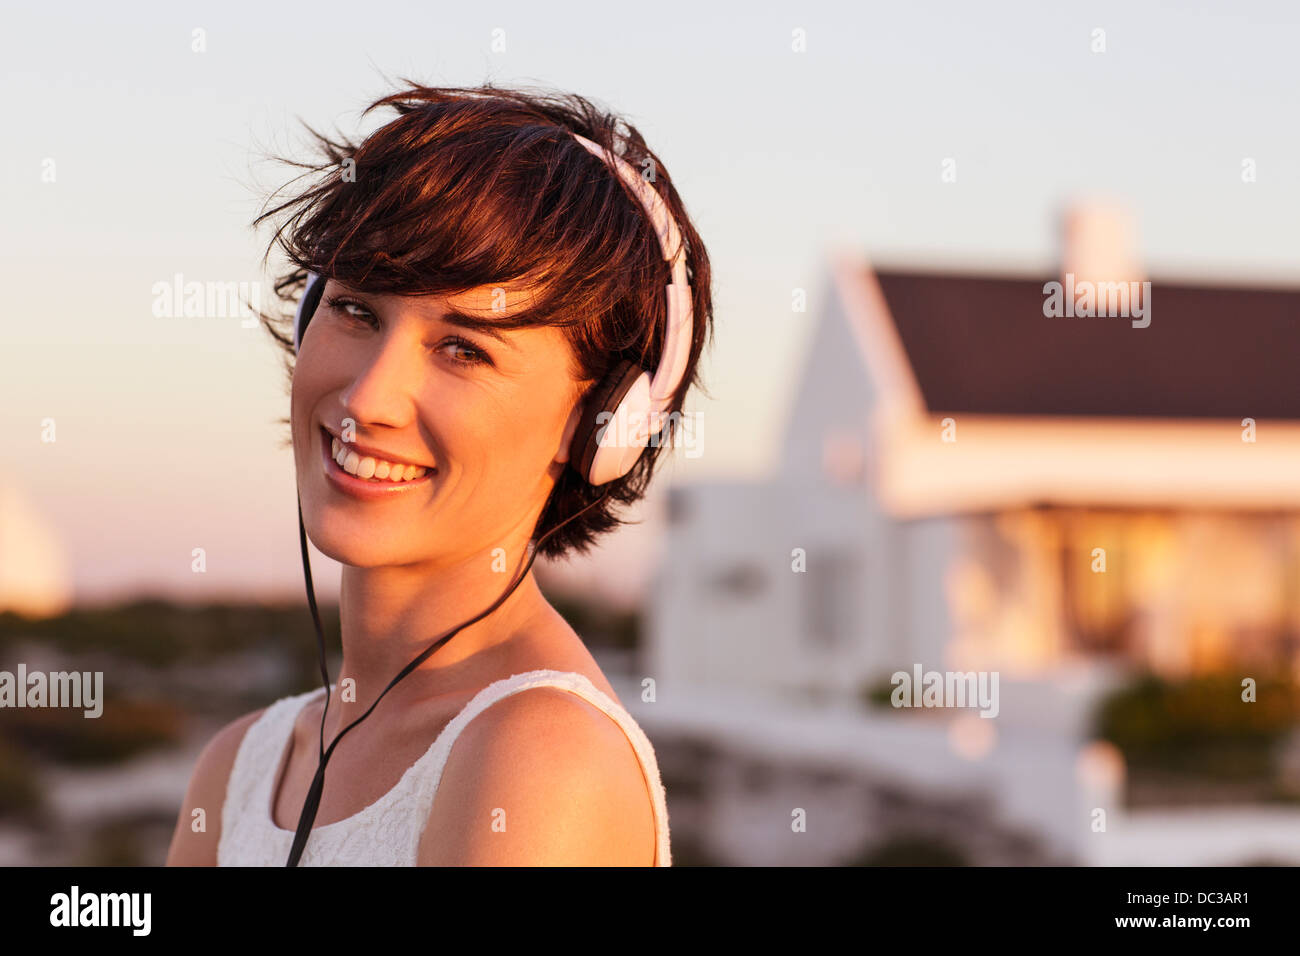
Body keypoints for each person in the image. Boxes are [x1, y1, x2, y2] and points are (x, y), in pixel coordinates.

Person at [164, 81, 713, 866]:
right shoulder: (238, 770)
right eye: (357, 310)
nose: (369, 397)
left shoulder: (541, 761)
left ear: (601, 426)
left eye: (464, 349)